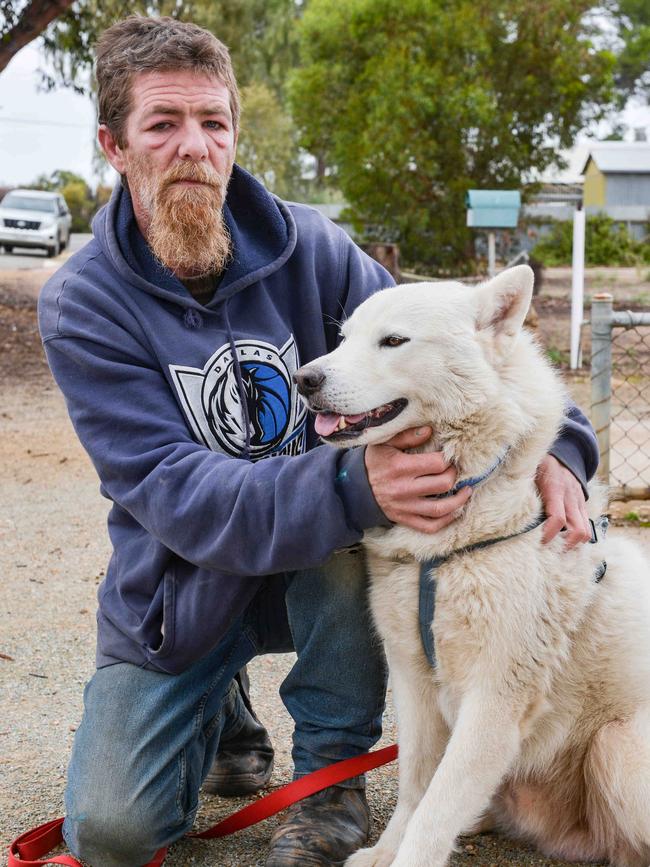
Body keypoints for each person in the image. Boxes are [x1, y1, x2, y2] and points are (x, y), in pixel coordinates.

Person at [38, 15, 599, 867]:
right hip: (188, 581)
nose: (193, 146)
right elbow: (174, 490)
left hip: (316, 559)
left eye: (213, 123)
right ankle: (216, 702)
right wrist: (350, 490)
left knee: (355, 519)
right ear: (117, 147)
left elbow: (459, 341)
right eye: (163, 124)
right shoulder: (84, 303)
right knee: (111, 835)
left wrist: (565, 448)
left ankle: (332, 777)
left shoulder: (313, 246)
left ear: (233, 135)